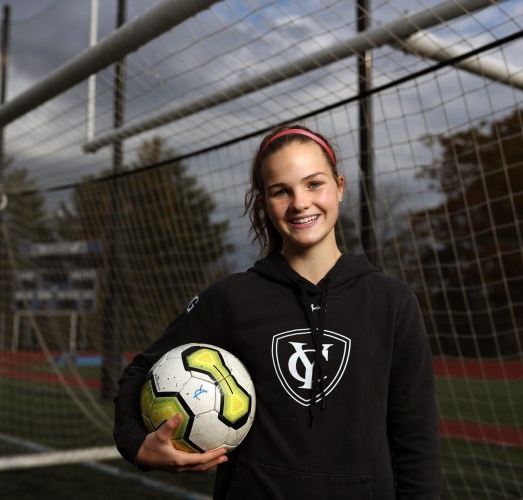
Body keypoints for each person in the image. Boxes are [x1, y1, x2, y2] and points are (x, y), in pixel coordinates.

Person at [113, 124, 442, 499]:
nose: (300, 202)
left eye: (314, 184)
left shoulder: (392, 302)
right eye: (281, 191)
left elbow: (417, 442)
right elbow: (142, 371)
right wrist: (138, 446)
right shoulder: (233, 298)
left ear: (340, 186)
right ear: (265, 204)